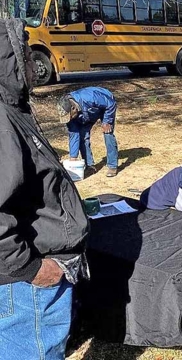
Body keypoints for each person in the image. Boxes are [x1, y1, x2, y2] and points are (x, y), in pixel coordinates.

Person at [0, 19, 89, 359]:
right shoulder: (3, 120)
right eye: (23, 46)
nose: (32, 54)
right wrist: (31, 269)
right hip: (24, 288)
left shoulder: (13, 110)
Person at [57, 86, 119, 177]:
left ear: (73, 108)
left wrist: (107, 121)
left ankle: (112, 166)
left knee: (107, 133)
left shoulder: (90, 97)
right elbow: (74, 135)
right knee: (82, 136)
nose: (68, 119)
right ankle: (89, 166)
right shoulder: (70, 116)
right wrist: (73, 158)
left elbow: (110, 103)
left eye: (69, 116)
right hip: (87, 114)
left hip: (105, 106)